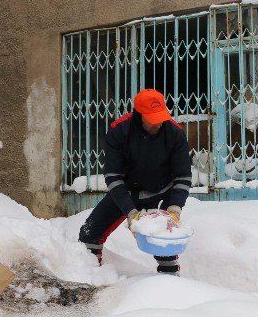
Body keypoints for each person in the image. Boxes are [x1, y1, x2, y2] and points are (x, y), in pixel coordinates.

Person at [78, 89, 192, 275]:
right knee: (89, 234)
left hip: (161, 190)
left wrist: (174, 209)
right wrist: (131, 212)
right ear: (139, 114)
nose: (157, 123)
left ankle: (171, 284)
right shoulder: (119, 131)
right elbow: (113, 177)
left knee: (164, 244)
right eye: (152, 118)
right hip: (126, 192)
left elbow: (182, 177)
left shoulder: (175, 133)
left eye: (160, 116)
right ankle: (89, 277)